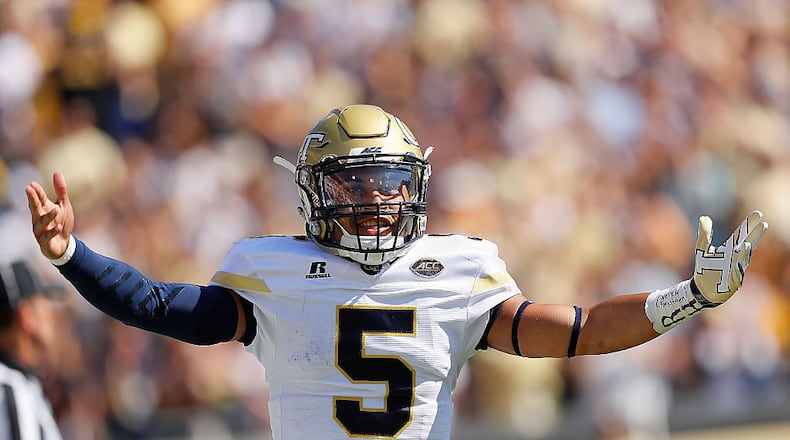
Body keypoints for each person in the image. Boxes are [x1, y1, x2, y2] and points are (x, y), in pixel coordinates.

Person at [25, 104, 767, 439]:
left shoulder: (461, 268)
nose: (377, 201)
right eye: (356, 184)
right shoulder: (271, 270)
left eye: (390, 182)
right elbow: (165, 308)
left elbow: (583, 334)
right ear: (317, 193)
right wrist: (69, 255)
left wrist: (690, 297)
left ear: (416, 187)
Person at [0, 259, 64, 439]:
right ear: (26, 315)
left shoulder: (22, 383)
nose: (52, 313)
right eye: (45, 302)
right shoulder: (10, 389)